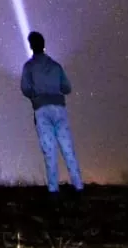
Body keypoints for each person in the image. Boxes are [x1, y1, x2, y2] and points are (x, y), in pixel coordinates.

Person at [21, 31, 84, 194]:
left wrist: (36, 94)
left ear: (31, 46)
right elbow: (67, 88)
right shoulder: (56, 66)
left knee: (50, 151)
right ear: (44, 45)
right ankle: (79, 186)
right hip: (59, 109)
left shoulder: (29, 67)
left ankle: (53, 191)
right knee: (68, 148)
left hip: (42, 109)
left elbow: (25, 89)